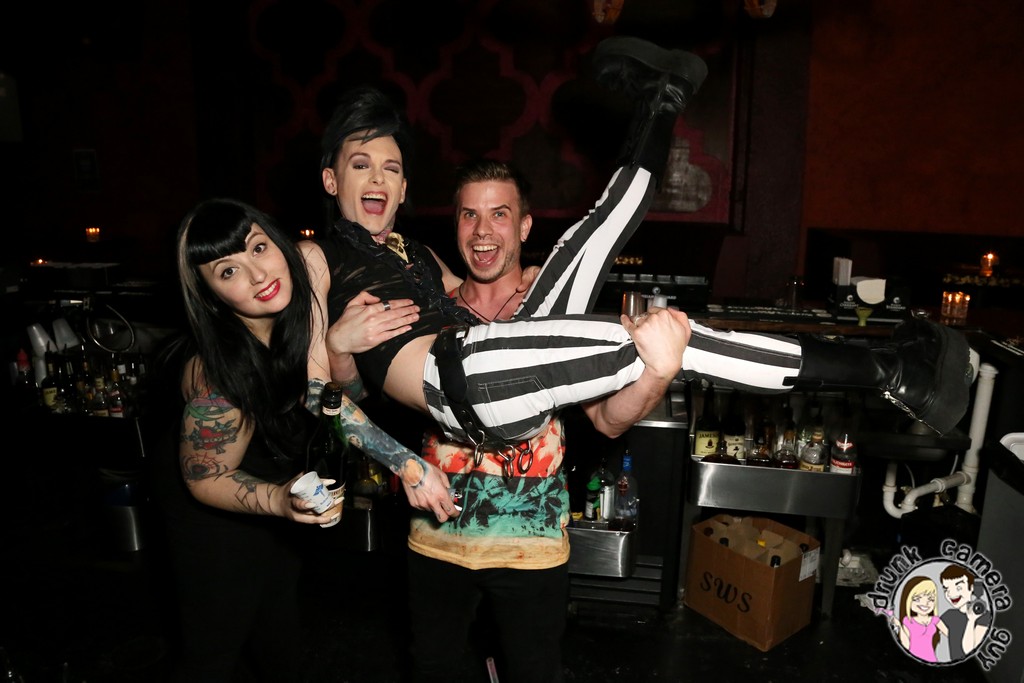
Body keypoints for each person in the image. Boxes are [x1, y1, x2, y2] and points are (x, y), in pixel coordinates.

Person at [308, 36, 973, 518]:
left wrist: (537, 283)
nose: (378, 179)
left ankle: (664, 97)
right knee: (660, 340)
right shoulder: (317, 259)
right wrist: (352, 372)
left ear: (404, 187)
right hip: (462, 386)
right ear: (332, 180)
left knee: (591, 236)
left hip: (490, 366)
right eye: (361, 165)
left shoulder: (417, 256)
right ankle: (892, 372)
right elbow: (319, 396)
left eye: (391, 167)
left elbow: (480, 293)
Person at [403, 158, 682, 683]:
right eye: (469, 215)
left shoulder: (554, 311)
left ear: (525, 226)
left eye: (499, 214)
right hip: (436, 541)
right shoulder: (428, 311)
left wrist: (657, 374)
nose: (482, 231)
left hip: (530, 546)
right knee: (433, 670)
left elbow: (608, 421)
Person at [149, 198, 445, 682]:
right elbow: (205, 476)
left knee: (278, 630)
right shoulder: (218, 372)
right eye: (228, 271)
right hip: (212, 509)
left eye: (258, 248)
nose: (257, 274)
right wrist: (281, 500)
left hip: (281, 482)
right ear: (209, 293)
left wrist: (337, 346)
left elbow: (344, 398)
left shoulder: (302, 309)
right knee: (214, 646)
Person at [939, 564, 991, 660]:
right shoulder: (949, 615)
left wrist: (971, 620)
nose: (951, 594)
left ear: (971, 587)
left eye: (958, 588)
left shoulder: (984, 616)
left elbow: (968, 650)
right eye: (946, 589)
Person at [892, 576, 948, 663]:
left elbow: (951, 635)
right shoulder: (908, 621)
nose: (925, 603)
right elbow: (906, 645)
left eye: (931, 599)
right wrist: (898, 626)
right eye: (917, 599)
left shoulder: (935, 620)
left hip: (932, 660)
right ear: (908, 600)